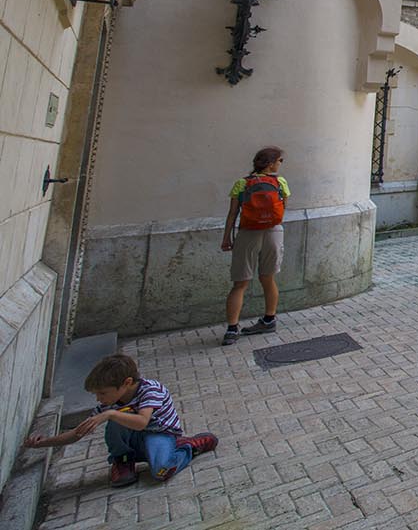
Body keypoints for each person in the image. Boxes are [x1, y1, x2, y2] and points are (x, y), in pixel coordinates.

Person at [23, 353, 217, 487]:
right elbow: (77, 433)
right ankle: (123, 460)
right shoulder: (109, 402)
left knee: (161, 472)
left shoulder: (151, 390)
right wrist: (43, 443)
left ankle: (187, 447)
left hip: (159, 434)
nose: (99, 399)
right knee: (116, 422)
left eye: (102, 393)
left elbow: (142, 422)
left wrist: (110, 414)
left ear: (127, 383)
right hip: (135, 439)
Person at [221, 146, 288, 346]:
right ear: (270, 163)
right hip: (274, 232)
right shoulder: (280, 182)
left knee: (240, 283)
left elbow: (233, 213)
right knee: (268, 278)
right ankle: (269, 319)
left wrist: (227, 237)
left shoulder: (242, 184)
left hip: (248, 233)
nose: (280, 164)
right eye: (280, 160)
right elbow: (283, 209)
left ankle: (232, 329)